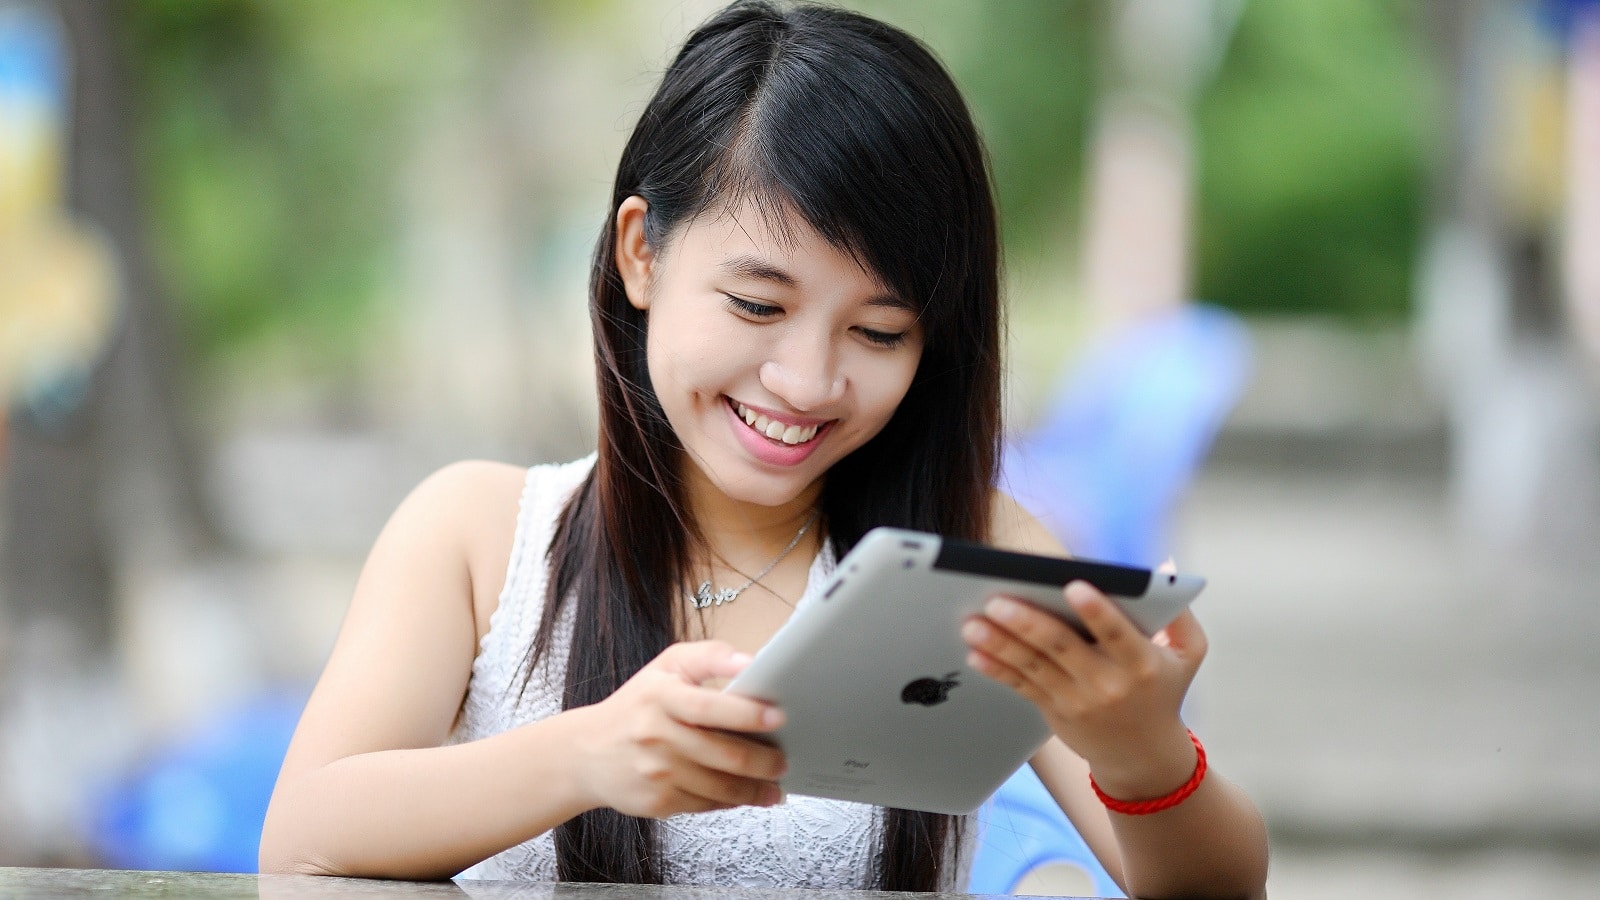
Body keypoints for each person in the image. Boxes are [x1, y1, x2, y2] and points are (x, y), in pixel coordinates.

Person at [258, 2, 1270, 895]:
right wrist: (586, 756)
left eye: (879, 333)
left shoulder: (975, 557)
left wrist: (1143, 758)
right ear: (640, 252)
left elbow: (1214, 890)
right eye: (756, 304)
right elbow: (301, 842)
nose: (805, 381)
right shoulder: (478, 535)